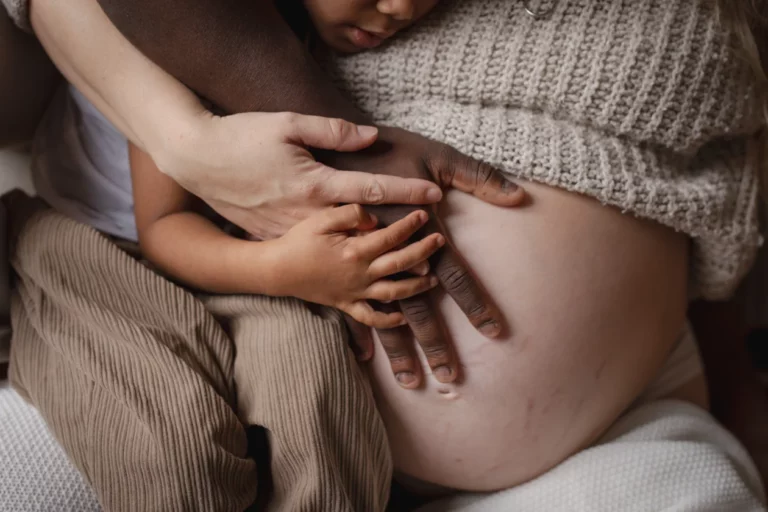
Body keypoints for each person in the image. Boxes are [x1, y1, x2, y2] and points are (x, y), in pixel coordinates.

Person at [2, 0, 768, 511]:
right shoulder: (193, 56)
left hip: (606, 402)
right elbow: (166, 231)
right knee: (182, 452)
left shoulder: (322, 37)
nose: (399, 6)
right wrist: (288, 272)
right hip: (174, 268)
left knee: (309, 394)